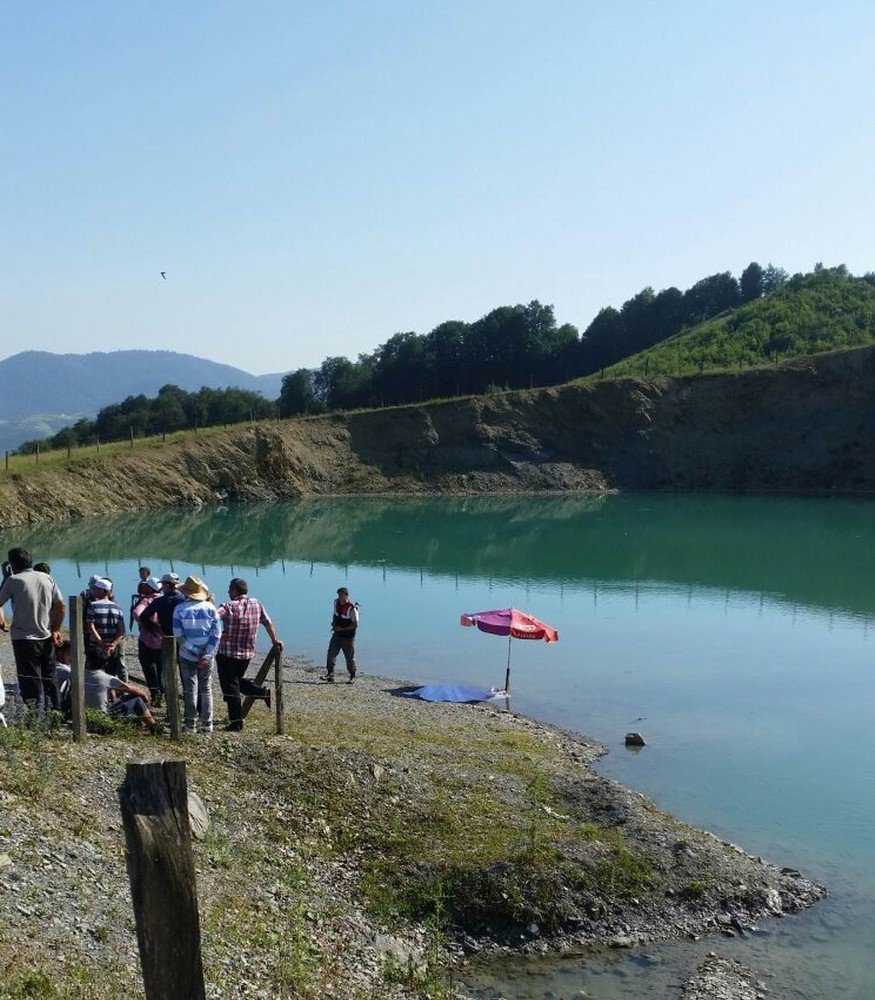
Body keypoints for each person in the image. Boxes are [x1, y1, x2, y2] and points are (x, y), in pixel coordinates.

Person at [0, 547, 65, 708]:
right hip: (46, 635)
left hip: (24, 638)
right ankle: (56, 712)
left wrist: (5, 578)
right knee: (50, 676)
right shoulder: (46, 577)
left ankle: (35, 716)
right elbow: (61, 605)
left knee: (30, 680)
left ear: (13, 564)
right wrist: (56, 628)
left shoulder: (13, 580)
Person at [216, 577, 283, 731]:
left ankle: (236, 722)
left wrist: (219, 633)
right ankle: (262, 692)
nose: (227, 592)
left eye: (229, 589)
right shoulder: (256, 604)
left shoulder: (227, 606)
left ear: (234, 590)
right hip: (246, 654)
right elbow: (267, 622)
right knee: (236, 681)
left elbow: (212, 617)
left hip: (227, 653)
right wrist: (275, 640)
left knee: (230, 688)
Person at [54, 647, 161, 732]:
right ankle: (154, 726)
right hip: (101, 721)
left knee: (112, 699)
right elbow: (137, 692)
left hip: (80, 718)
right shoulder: (108, 678)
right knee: (137, 699)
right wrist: (145, 697)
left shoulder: (77, 674)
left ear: (88, 662)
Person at [172, 576, 222, 735]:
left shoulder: (179, 610)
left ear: (186, 592)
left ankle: (190, 725)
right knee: (206, 689)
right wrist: (207, 654)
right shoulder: (211, 608)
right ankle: (207, 724)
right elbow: (217, 633)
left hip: (187, 655)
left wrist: (194, 651)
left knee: (189, 689)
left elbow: (178, 635)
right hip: (207, 656)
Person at [132, 577, 165, 706]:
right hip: (165, 642)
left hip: (147, 641)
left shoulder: (147, 600)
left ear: (150, 588)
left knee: (149, 668)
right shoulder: (166, 600)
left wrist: (147, 624)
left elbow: (136, 613)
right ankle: (163, 692)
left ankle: (155, 694)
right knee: (163, 669)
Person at [85, 577, 127, 680]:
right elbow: (121, 630)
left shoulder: (93, 605)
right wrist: (113, 645)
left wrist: (101, 643)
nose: (93, 590)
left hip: (95, 646)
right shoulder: (117, 607)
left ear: (103, 591)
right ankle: (111, 694)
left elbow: (90, 627)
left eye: (96, 589)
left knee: (92, 673)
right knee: (110, 676)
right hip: (112, 648)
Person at [323, 586, 359, 684]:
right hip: (337, 634)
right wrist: (334, 623)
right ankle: (330, 674)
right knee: (331, 654)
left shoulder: (352, 608)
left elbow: (355, 625)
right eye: (339, 595)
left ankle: (352, 675)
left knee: (349, 658)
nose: (340, 598)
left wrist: (342, 629)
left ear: (346, 596)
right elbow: (335, 614)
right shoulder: (336, 603)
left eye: (342, 595)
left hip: (348, 637)